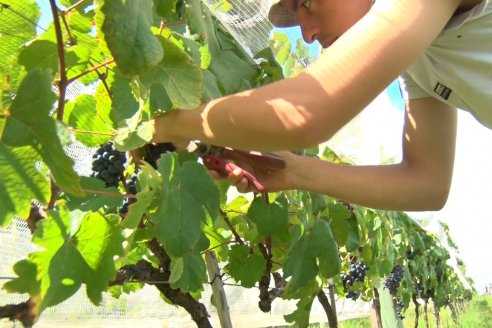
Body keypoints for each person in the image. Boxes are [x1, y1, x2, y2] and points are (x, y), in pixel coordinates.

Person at [151, 0, 492, 211]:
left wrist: (167, 125)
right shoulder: (420, 62)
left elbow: (307, 112)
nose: (308, 35)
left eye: (307, 2)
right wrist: (295, 170)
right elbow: (427, 184)